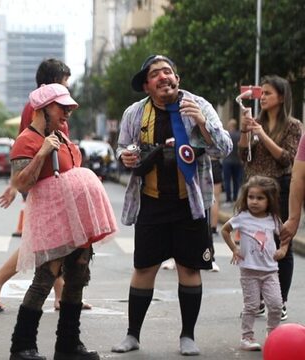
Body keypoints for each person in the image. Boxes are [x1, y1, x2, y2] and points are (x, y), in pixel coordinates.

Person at [112, 55, 232, 356]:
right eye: (156, 74)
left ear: (176, 78)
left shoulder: (199, 105)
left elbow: (224, 148)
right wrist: (124, 156)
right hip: (151, 202)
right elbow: (122, 149)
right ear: (146, 85)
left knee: (190, 269)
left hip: (189, 204)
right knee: (143, 268)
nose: (164, 77)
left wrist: (203, 123)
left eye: (168, 71)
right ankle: (132, 335)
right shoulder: (135, 113)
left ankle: (187, 336)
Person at [8, 83, 117, 360]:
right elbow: (21, 183)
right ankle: (22, 347)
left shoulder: (62, 135)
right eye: (62, 108)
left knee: (78, 275)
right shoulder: (26, 140)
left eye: (69, 108)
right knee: (45, 278)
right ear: (43, 109)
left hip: (76, 222)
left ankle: (68, 345)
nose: (67, 113)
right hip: (51, 222)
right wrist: (43, 152)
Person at [0, 59, 92, 312]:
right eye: (62, 84)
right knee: (42, 241)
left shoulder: (58, 112)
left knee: (50, 241)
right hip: (44, 185)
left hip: (57, 183)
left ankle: (60, 295)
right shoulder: (38, 109)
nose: (66, 95)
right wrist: (15, 185)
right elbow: (25, 151)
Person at [238, 75, 301, 321]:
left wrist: (261, 134)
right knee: (253, 244)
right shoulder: (255, 121)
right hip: (254, 189)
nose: (262, 97)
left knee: (280, 243)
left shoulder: (293, 126)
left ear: (282, 97)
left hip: (278, 189)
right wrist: (245, 130)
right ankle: (258, 301)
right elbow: (244, 155)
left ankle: (280, 300)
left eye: (268, 93)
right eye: (261, 93)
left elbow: (288, 159)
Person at [220, 176, 286, 351]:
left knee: (276, 304)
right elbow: (225, 230)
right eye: (251, 197)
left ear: (269, 200)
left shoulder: (273, 218)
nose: (254, 202)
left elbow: (285, 235)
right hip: (249, 270)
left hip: (270, 270)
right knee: (252, 306)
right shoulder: (242, 217)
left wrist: (283, 249)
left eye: (260, 198)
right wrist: (234, 249)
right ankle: (246, 337)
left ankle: (273, 334)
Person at [222, 119, 243, 203]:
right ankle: (235, 197)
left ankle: (228, 198)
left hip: (227, 161)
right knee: (236, 180)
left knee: (227, 180)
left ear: (230, 125)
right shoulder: (240, 135)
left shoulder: (226, 134)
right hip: (238, 161)